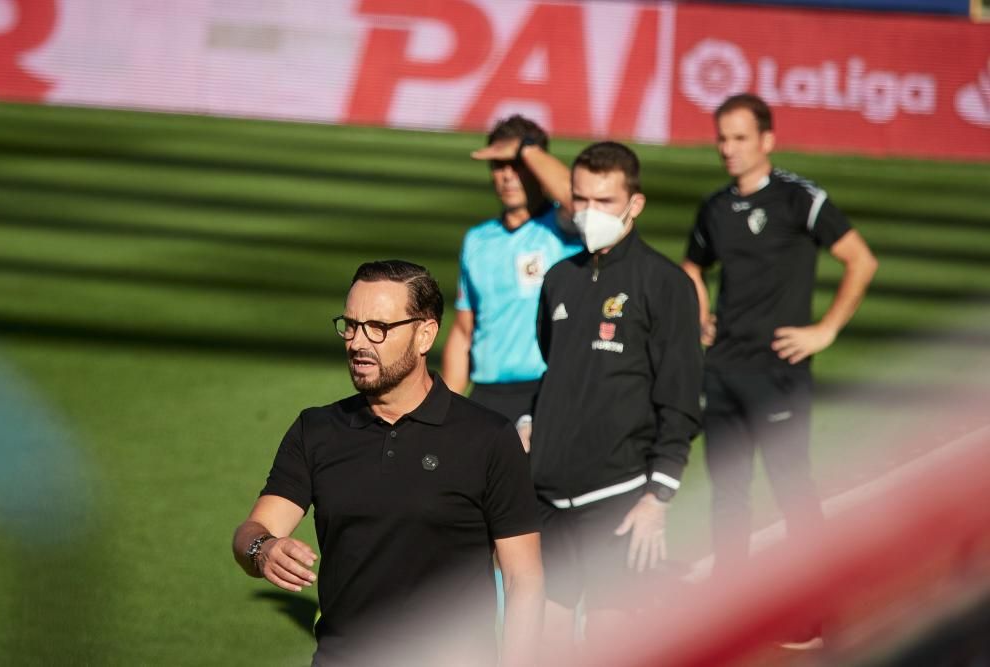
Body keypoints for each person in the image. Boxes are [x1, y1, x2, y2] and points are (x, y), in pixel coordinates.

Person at [232, 260, 544, 667]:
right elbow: (252, 532)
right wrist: (263, 549)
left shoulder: (487, 437)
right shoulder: (318, 430)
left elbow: (524, 578)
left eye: (378, 328)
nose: (358, 342)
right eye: (351, 324)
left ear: (424, 334)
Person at [681, 93, 879, 576]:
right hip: (723, 370)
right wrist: (699, 314)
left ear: (767, 139)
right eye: (722, 139)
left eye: (740, 138)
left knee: (791, 485)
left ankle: (815, 609)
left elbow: (861, 260)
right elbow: (692, 266)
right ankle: (728, 601)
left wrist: (825, 331)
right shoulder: (715, 209)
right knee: (727, 493)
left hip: (779, 371)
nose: (729, 149)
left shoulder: (800, 199)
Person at [530, 142, 703, 661]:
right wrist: (528, 420)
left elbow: (681, 398)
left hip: (621, 496)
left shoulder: (666, 284)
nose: (589, 213)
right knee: (547, 643)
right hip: (547, 494)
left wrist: (658, 496)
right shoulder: (560, 279)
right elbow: (555, 368)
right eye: (580, 199)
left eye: (604, 201)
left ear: (635, 204)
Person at [442, 115, 581, 448]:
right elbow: (464, 330)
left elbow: (578, 198)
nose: (507, 176)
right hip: (486, 395)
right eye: (498, 166)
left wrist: (528, 150)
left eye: (516, 165)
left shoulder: (563, 229)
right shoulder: (477, 240)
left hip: (546, 390)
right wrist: (441, 410)